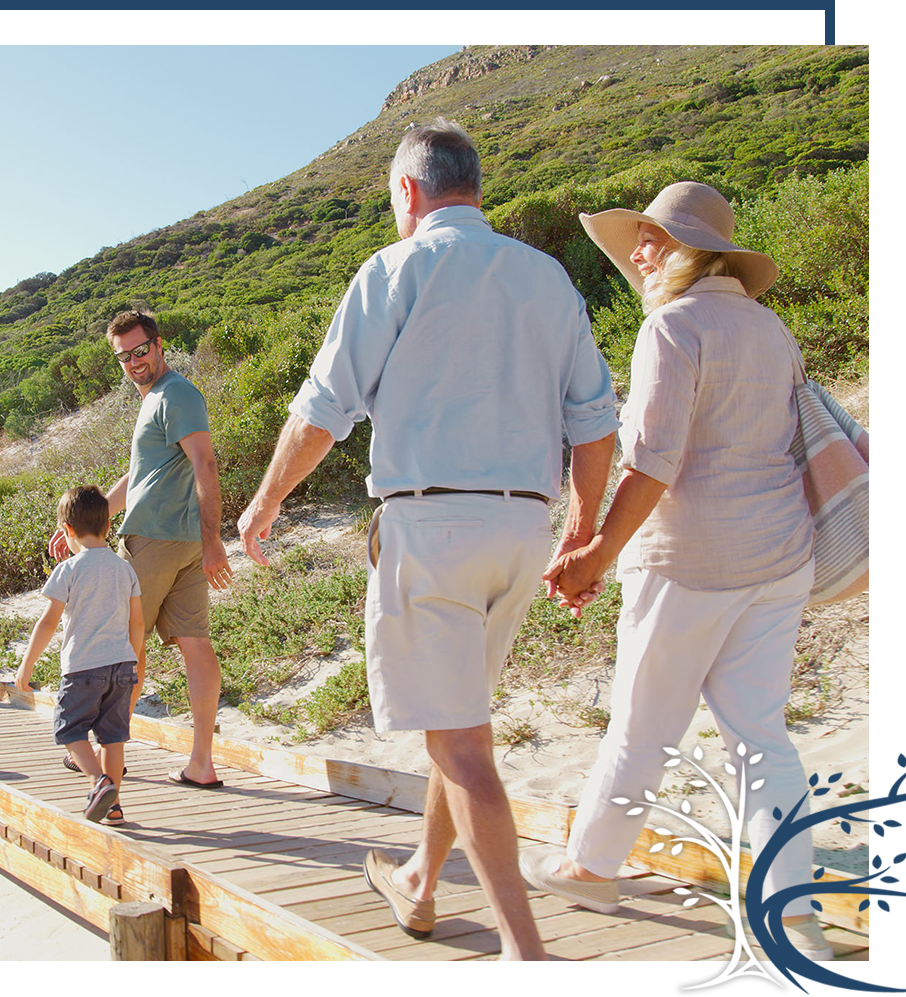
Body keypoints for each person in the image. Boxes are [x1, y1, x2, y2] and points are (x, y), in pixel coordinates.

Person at [237, 118, 619, 960]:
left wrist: (263, 504)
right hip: (523, 526)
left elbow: (321, 411)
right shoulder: (547, 277)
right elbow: (594, 424)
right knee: (464, 720)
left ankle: (527, 950)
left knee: (460, 743)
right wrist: (583, 526)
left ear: (408, 191)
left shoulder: (392, 268)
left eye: (390, 198)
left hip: (431, 523)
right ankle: (417, 877)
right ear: (472, 188)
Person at [529, 181, 834, 960]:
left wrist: (596, 550)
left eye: (653, 241)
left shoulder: (672, 326)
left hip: (690, 557)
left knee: (642, 722)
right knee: (761, 736)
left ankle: (589, 864)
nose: (637, 252)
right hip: (779, 555)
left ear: (693, 250)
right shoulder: (771, 330)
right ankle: (792, 911)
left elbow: (653, 460)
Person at [49, 309, 233, 789]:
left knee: (126, 648)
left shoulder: (177, 394)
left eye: (141, 350)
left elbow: (206, 464)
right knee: (193, 645)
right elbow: (142, 476)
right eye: (124, 356)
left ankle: (112, 760)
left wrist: (214, 540)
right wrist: (88, 522)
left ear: (159, 344)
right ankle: (201, 764)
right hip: (182, 542)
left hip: (157, 541)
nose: (134, 361)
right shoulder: (156, 400)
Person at [17, 485, 144, 825]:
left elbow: (47, 623)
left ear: (68, 531)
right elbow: (138, 623)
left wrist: (26, 668)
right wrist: (131, 660)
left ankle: (97, 781)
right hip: (122, 666)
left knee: (70, 729)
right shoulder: (124, 569)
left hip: (82, 667)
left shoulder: (68, 569)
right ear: (106, 526)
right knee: (113, 738)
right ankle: (114, 806)